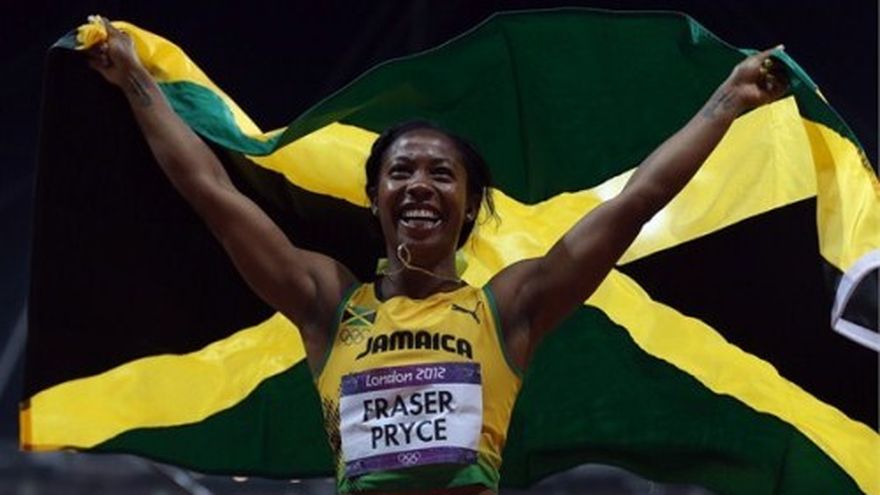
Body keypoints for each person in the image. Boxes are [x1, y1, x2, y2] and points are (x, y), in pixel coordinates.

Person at [86, 17, 788, 495]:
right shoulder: (328, 304)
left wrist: (728, 99)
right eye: (401, 172)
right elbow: (210, 193)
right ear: (375, 199)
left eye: (441, 174)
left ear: (470, 205)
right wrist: (136, 82)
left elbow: (637, 201)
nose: (420, 185)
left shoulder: (510, 308)